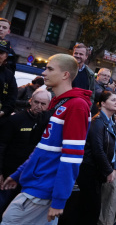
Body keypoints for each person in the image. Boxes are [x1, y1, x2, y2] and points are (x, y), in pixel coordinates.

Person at [1, 53, 91, 224]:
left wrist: (59, 199)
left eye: (50, 68)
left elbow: (72, 157)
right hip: (37, 186)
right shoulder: (59, 104)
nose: (44, 73)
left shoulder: (77, 106)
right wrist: (19, 174)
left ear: (65, 74)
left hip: (42, 190)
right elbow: (42, 148)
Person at [0, 89, 51, 218]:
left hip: (31, 175)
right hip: (10, 171)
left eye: (43, 104)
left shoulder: (48, 121)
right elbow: (2, 146)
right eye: (36, 102)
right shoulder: (16, 119)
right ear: (30, 101)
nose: (39, 106)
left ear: (48, 105)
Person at [74, 91, 116, 225]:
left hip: (99, 170)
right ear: (103, 103)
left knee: (91, 208)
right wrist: (109, 170)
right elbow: (97, 149)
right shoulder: (97, 122)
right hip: (89, 170)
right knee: (91, 209)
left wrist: (114, 167)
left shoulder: (112, 122)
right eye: (113, 100)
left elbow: (115, 147)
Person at [0, 37, 17, 124]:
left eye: (1, 53)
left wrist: (3, 112)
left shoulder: (9, 75)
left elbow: (12, 98)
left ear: (6, 56)